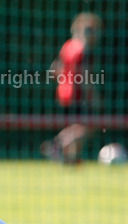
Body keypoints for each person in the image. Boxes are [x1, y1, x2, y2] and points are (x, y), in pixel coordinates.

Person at [41, 13, 102, 164]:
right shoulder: (83, 50)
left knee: (75, 126)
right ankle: (57, 144)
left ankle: (70, 159)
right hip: (77, 94)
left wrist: (65, 78)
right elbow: (84, 76)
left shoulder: (67, 46)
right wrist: (94, 96)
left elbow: (54, 69)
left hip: (63, 93)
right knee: (88, 126)